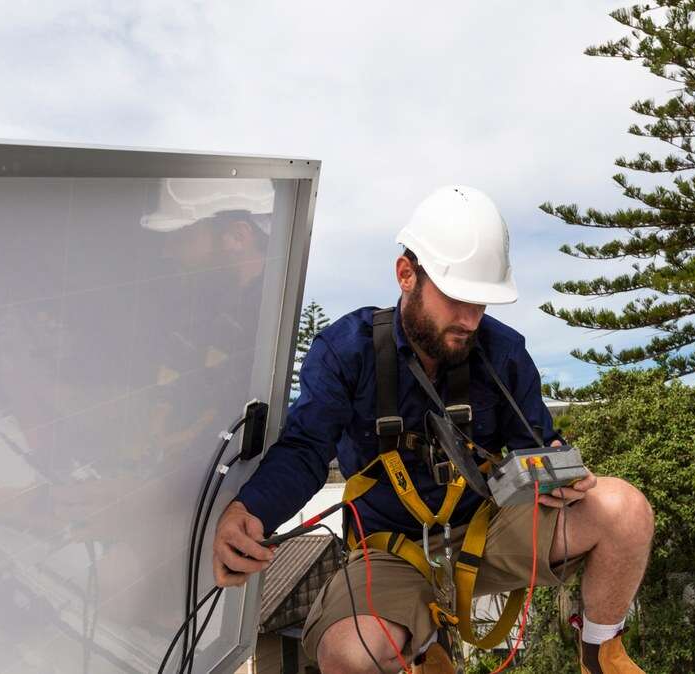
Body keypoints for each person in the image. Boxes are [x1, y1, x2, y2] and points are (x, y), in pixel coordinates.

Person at [212, 186, 653, 674]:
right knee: (347, 654)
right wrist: (250, 510)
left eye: (482, 303)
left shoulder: (503, 353)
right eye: (457, 298)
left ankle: (600, 652)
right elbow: (305, 450)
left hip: (486, 532)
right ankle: (425, 645)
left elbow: (535, 441)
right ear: (406, 275)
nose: (470, 319)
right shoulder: (346, 351)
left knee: (624, 511)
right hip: (390, 550)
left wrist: (557, 472)